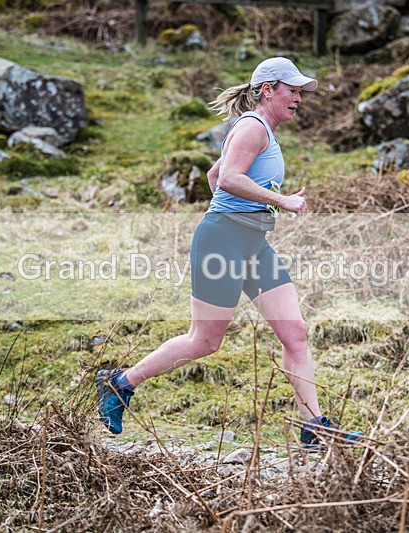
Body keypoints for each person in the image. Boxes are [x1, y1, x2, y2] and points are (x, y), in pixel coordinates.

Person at [97, 57, 360, 448]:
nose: (299, 99)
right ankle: (119, 384)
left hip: (251, 242)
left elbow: (216, 176)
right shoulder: (253, 127)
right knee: (205, 340)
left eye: (301, 93)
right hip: (223, 241)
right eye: (293, 91)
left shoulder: (261, 130)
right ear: (268, 90)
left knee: (295, 333)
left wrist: (251, 211)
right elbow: (230, 179)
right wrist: (279, 200)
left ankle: (314, 427)